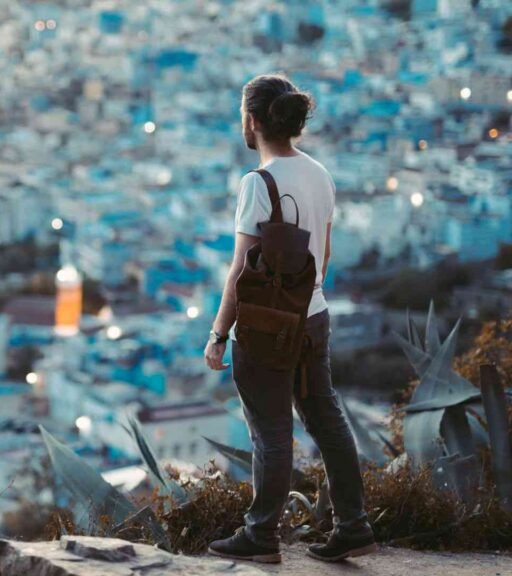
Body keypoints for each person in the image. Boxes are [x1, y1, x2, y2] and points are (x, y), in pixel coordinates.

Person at [203, 74, 377, 563]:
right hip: (314, 316)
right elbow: (324, 253)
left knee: (272, 431)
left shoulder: (258, 183)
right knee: (327, 419)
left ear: (252, 120)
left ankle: (261, 536)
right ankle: (354, 525)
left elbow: (241, 270)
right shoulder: (320, 174)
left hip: (266, 326)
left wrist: (218, 333)